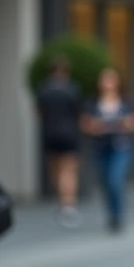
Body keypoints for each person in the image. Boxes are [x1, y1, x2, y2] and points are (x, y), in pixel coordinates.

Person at [81, 68, 134, 232]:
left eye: (111, 79)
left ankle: (118, 215)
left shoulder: (126, 101)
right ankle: (111, 213)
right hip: (100, 147)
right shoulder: (93, 102)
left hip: (121, 147)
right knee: (105, 182)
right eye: (104, 80)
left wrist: (124, 123)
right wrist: (98, 126)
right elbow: (86, 124)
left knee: (116, 180)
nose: (107, 83)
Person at [36, 56, 83, 226]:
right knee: (68, 170)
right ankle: (68, 204)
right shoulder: (72, 89)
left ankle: (60, 200)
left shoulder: (43, 89)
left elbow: (38, 111)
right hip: (69, 134)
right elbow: (79, 114)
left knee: (55, 169)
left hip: (49, 134)